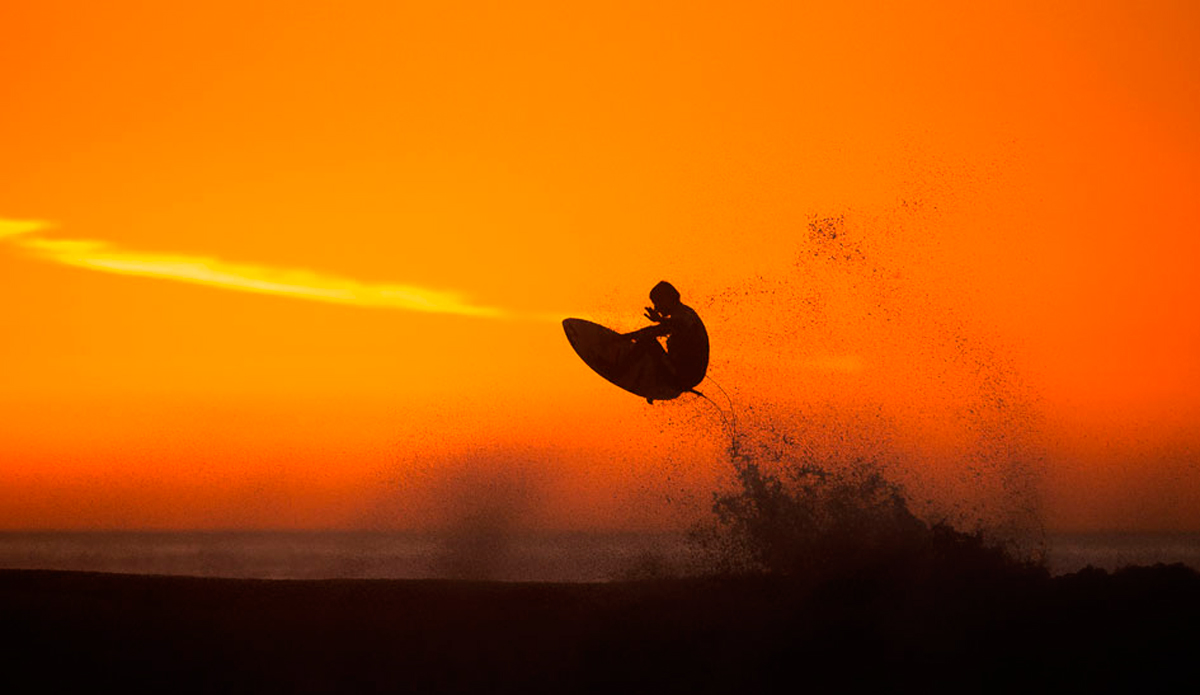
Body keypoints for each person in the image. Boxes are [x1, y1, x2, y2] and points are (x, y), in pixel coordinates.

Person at [623, 281, 709, 402]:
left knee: (647, 341)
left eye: (657, 303)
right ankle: (652, 380)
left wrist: (623, 338)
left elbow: (677, 325)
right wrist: (627, 336)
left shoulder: (685, 315)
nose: (656, 308)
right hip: (686, 375)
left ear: (667, 299)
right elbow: (660, 329)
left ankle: (623, 367)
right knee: (648, 339)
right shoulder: (682, 315)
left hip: (684, 376)